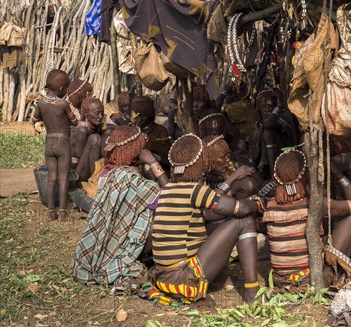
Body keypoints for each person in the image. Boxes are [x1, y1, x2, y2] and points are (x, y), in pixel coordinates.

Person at [150, 134, 263, 303]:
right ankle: (252, 292)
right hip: (182, 278)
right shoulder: (195, 190)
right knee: (244, 221)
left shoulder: (167, 189)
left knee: (219, 226)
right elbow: (241, 209)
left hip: (163, 277)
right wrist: (258, 203)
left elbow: (209, 216)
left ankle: (219, 279)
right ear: (201, 162)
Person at [73, 125, 168, 285]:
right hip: (120, 246)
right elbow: (170, 196)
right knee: (160, 221)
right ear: (135, 150)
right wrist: (152, 162)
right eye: (143, 147)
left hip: (106, 242)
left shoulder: (108, 172)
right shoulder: (130, 179)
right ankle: (140, 258)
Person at [263, 149, 351, 290]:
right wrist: (338, 173)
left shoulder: (269, 204)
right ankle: (331, 273)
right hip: (309, 279)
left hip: (280, 280)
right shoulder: (315, 204)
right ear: (305, 176)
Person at [31, 69, 78, 221]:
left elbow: (34, 120)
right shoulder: (62, 104)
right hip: (63, 143)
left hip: (49, 143)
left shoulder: (41, 103)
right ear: (61, 89)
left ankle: (51, 212)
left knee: (51, 178)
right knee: (63, 178)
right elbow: (75, 122)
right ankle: (63, 213)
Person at [249, 89, 298, 180]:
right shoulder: (256, 127)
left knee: (268, 133)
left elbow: (269, 124)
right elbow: (253, 154)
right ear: (258, 108)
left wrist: (278, 108)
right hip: (263, 170)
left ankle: (274, 176)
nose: (268, 109)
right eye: (264, 106)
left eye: (271, 106)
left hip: (287, 161)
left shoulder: (283, 118)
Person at [131, 96, 171, 169]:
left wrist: (150, 158)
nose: (138, 119)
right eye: (136, 116)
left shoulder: (160, 130)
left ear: (149, 115)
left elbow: (165, 157)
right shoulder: (131, 130)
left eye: (142, 116)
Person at [70, 97, 104, 182]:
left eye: (102, 113)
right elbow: (74, 163)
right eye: (97, 113)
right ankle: (95, 181)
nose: (100, 116)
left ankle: (97, 178)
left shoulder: (97, 127)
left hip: (88, 170)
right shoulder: (81, 131)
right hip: (76, 174)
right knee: (95, 139)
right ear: (85, 113)